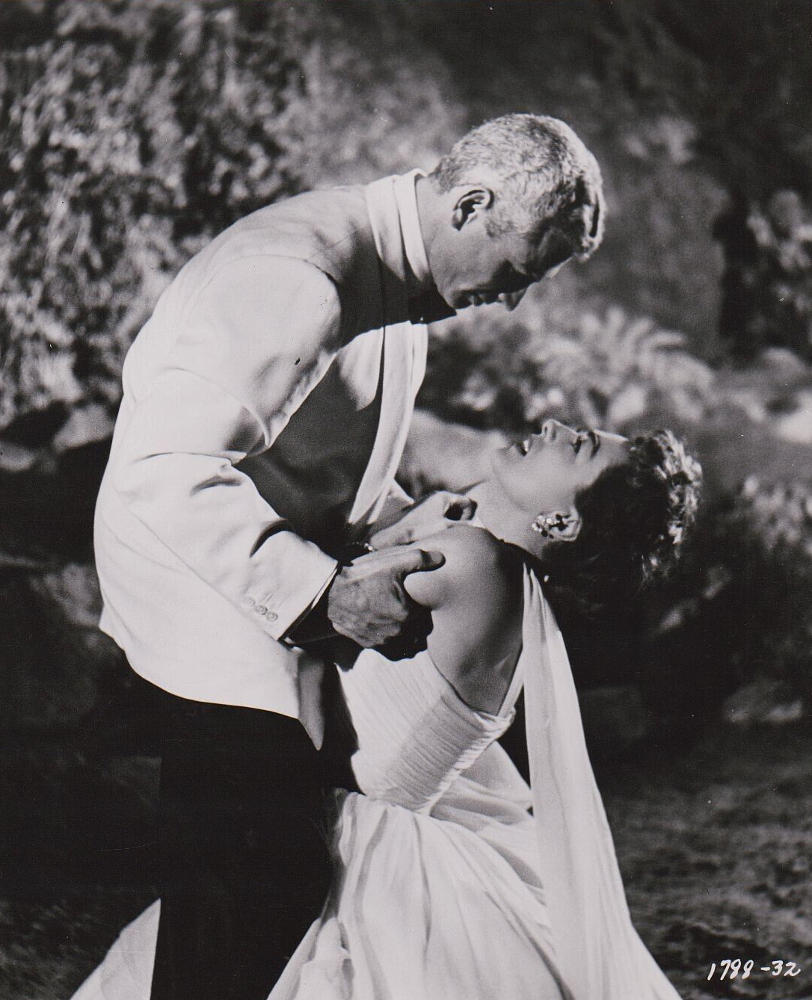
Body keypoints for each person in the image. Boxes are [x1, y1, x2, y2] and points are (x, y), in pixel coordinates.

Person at [91, 114, 605, 999]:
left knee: (270, 883)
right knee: (260, 879)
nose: (512, 297)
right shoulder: (298, 278)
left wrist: (406, 518)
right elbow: (165, 472)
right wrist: (327, 592)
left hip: (256, 578)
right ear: (473, 204)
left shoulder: (400, 281)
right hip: (200, 587)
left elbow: (320, 466)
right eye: (518, 269)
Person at [75, 418, 702, 1000]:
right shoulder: (511, 586)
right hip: (371, 821)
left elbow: (307, 612)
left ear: (564, 522)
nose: (556, 427)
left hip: (349, 844)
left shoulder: (474, 562)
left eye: (580, 446)